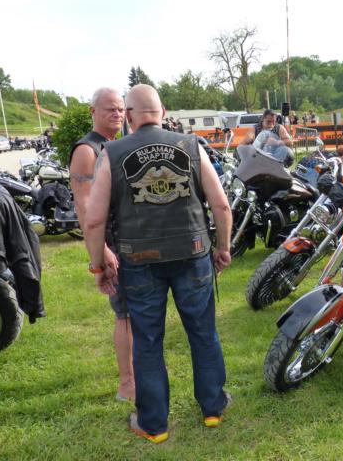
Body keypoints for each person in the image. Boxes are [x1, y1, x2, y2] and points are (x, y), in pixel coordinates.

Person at [83, 84, 232, 444]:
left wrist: (98, 266)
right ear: (163, 112)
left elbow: (94, 220)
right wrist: (224, 248)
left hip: (139, 260)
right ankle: (213, 408)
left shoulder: (111, 153)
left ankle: (154, 425)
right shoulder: (192, 146)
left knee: (147, 341)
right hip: (193, 253)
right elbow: (221, 205)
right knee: (203, 332)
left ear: (129, 116)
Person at [68, 87, 134, 401]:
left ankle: (138, 374)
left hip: (131, 241)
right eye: (110, 109)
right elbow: (84, 205)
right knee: (125, 315)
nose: (117, 114)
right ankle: (127, 383)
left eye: (121, 109)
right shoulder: (87, 150)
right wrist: (101, 249)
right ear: (93, 112)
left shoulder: (115, 145)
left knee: (137, 313)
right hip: (112, 245)